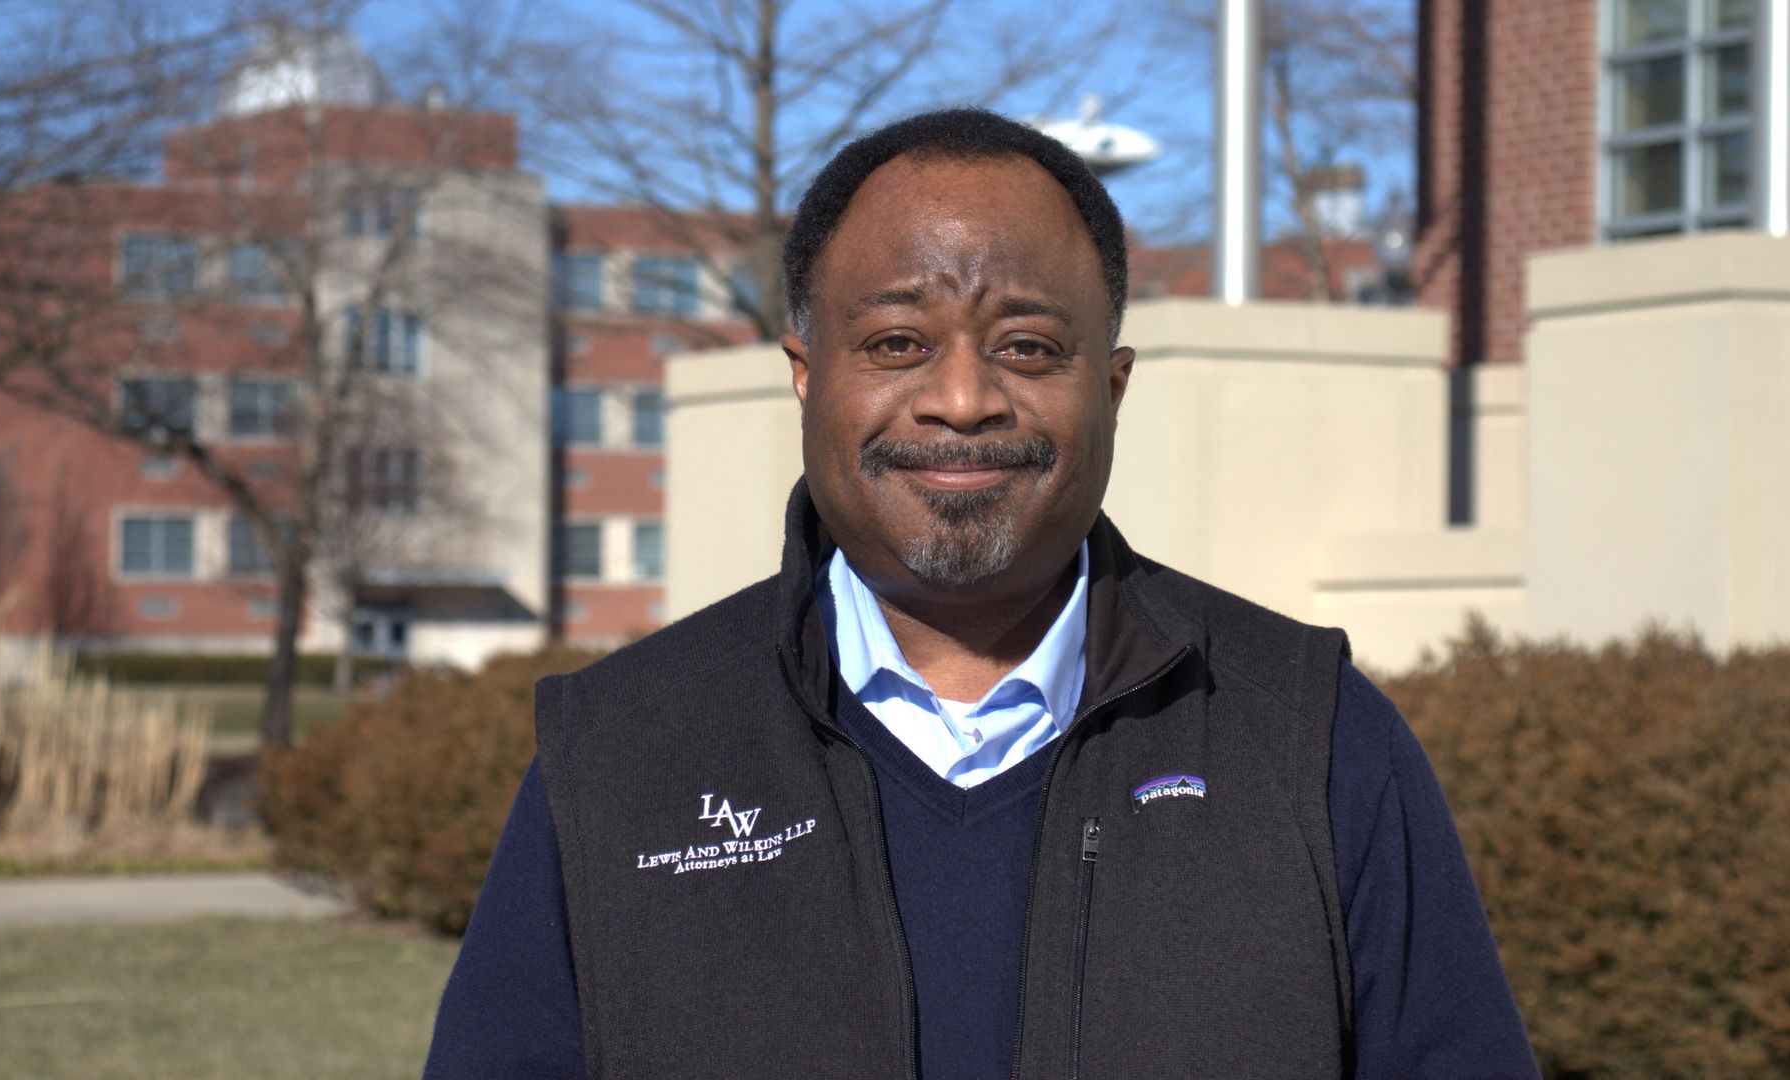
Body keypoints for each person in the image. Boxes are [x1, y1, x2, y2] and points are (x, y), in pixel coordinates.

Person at [424, 108, 1538, 1079]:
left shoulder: (1316, 739)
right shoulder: (619, 753)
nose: (962, 399)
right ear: (808, 377)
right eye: (899, 342)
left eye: (1028, 346)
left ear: (1110, 386)